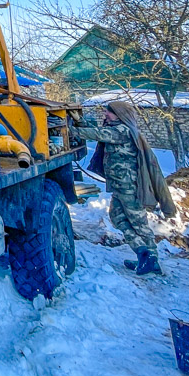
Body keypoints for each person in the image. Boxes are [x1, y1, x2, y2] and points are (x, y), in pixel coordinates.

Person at [74, 101, 176, 275]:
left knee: (139, 223)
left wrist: (73, 129)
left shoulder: (123, 130)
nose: (106, 115)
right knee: (117, 217)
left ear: (119, 115)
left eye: (109, 112)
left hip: (130, 187)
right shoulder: (117, 129)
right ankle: (143, 253)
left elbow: (100, 134)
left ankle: (151, 259)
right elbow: (101, 132)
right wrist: (81, 122)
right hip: (121, 185)